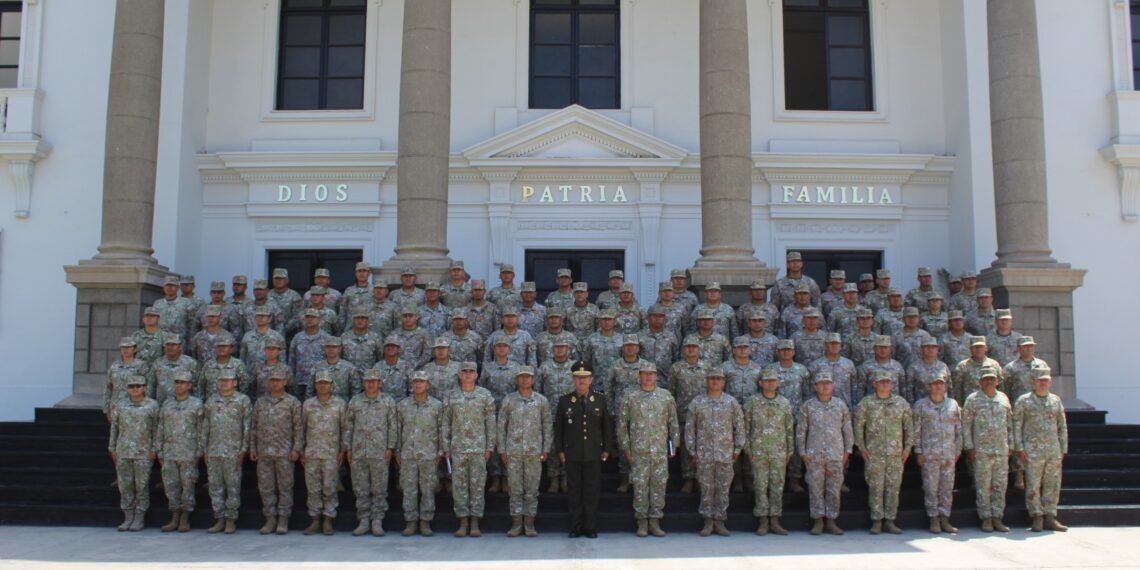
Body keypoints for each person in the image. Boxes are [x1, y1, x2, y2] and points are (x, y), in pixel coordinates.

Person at [619, 361, 679, 537]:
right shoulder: (630, 397)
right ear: (639, 376)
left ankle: (655, 521)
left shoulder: (665, 396)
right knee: (640, 486)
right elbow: (623, 425)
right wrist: (626, 448)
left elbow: (673, 423)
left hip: (660, 451)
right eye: (644, 373)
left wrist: (672, 446)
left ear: (656, 376)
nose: (648, 376)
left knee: (659, 485)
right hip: (639, 451)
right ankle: (642, 522)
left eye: (651, 374)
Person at [554, 361, 613, 538]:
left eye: (585, 377)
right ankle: (575, 526)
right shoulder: (565, 401)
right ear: (573, 379)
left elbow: (606, 427)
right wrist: (560, 451)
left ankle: (590, 526)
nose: (582, 381)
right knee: (574, 491)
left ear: (591, 380)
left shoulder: (600, 399)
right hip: (572, 452)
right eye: (578, 378)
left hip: (594, 452)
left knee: (591, 491)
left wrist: (607, 448)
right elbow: (559, 429)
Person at [686, 369, 745, 537]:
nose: (715, 382)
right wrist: (692, 451)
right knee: (706, 488)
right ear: (706, 381)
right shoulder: (697, 402)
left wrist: (737, 449)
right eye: (712, 379)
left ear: (724, 382)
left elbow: (739, 427)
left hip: (725, 453)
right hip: (704, 453)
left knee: (723, 488)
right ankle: (707, 521)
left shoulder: (731, 402)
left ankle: (720, 521)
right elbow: (690, 429)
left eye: (718, 379)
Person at [854, 369, 913, 535]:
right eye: (881, 381)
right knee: (875, 488)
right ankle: (877, 521)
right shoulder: (866, 403)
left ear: (892, 384)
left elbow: (909, 427)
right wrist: (861, 447)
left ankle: (890, 521)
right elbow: (858, 426)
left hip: (895, 454)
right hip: (874, 454)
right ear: (874, 384)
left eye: (887, 381)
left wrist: (908, 448)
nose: (884, 384)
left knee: (893, 488)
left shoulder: (901, 403)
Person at [497, 366, 553, 537]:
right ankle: (516, 523)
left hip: (533, 452)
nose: (525, 380)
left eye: (528, 377)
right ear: (516, 380)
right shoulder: (509, 400)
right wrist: (502, 450)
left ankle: (529, 523)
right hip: (513, 452)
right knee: (515, 489)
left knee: (532, 489)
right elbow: (501, 426)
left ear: (533, 380)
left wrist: (546, 449)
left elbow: (547, 426)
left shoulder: (541, 401)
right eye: (521, 377)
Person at [442, 362, 496, 537]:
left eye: (471, 371)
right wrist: (446, 446)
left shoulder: (485, 395)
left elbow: (490, 423)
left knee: (477, 486)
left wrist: (489, 446)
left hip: (478, 448)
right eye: (464, 371)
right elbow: (446, 423)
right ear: (459, 375)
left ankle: (475, 522)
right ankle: (462, 521)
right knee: (459, 487)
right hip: (457, 448)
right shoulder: (451, 396)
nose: (467, 374)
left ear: (476, 375)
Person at [1013, 366, 1069, 532]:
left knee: (1052, 484)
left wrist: (1063, 448)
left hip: (1052, 449)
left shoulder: (1055, 400)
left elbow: (1062, 425)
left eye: (1045, 380)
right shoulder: (1024, 401)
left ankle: (1050, 516)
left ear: (1050, 382)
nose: (1042, 383)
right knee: (1033, 484)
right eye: (1039, 380)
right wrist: (1019, 448)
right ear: (1033, 382)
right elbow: (1017, 426)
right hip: (1032, 451)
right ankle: (1037, 516)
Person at [797, 372, 853, 535]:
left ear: (832, 386)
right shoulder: (808, 406)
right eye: (821, 383)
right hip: (814, 454)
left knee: (834, 489)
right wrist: (802, 452)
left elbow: (847, 430)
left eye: (827, 383)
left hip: (836, 453)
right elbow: (801, 431)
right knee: (815, 488)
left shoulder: (840, 405)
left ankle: (831, 521)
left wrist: (847, 451)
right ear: (815, 387)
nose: (824, 386)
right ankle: (817, 521)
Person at [345, 368, 398, 537]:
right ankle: (363, 520)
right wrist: (348, 447)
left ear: (380, 383)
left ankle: (377, 520)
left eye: (374, 381)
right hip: (359, 451)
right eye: (367, 381)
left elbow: (392, 426)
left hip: (379, 451)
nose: (370, 384)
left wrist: (390, 447)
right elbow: (348, 426)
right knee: (360, 488)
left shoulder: (388, 401)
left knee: (379, 487)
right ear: (363, 383)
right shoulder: (355, 401)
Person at [250, 369, 302, 535]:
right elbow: (254, 427)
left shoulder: (292, 402)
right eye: (272, 380)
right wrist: (252, 447)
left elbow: (299, 428)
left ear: (285, 382)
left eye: (278, 380)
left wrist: (296, 448)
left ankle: (283, 518)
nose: (275, 383)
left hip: (284, 452)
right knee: (266, 487)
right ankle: (270, 518)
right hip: (264, 451)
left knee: (285, 487)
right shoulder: (260, 402)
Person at [743, 369, 794, 536]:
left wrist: (789, 449)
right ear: (760, 383)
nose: (770, 383)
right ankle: (763, 520)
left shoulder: (784, 403)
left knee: (777, 486)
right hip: (759, 451)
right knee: (760, 485)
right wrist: (748, 449)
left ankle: (775, 520)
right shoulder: (752, 402)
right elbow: (746, 427)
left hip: (779, 451)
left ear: (778, 383)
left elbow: (789, 428)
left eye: (773, 381)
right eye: (767, 380)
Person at [962, 366, 1013, 533]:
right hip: (981, 451)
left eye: (992, 379)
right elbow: (966, 425)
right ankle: (986, 518)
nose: (989, 381)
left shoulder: (1003, 398)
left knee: (1000, 485)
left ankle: (998, 517)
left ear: (997, 381)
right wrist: (969, 447)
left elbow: (1010, 424)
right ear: (980, 382)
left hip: (1001, 450)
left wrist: (1011, 445)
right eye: (985, 379)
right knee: (983, 485)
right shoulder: (972, 400)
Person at [201, 370, 252, 534]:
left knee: (233, 486)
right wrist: (205, 449)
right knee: (215, 487)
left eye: (227, 380)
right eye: (221, 380)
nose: (223, 383)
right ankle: (219, 518)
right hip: (214, 450)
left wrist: (243, 448)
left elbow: (247, 426)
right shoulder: (211, 401)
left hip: (233, 451)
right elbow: (205, 426)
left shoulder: (242, 400)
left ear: (235, 382)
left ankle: (231, 520)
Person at [912, 373, 962, 534]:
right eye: (934, 384)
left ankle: (945, 518)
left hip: (948, 453)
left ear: (945, 387)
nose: (938, 387)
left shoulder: (953, 404)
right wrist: (918, 451)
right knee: (931, 487)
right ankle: (933, 518)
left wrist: (957, 449)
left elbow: (958, 429)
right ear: (928, 387)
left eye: (940, 384)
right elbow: (916, 430)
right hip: (929, 453)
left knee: (947, 488)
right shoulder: (921, 405)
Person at [395, 371, 444, 536]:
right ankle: (410, 522)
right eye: (415, 382)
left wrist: (440, 451)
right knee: (409, 489)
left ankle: (425, 522)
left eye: (421, 382)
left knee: (427, 489)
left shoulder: (437, 406)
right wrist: (396, 449)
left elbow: (441, 429)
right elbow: (397, 429)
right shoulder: (403, 405)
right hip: (408, 454)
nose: (418, 384)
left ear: (428, 385)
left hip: (429, 455)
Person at [155, 369, 204, 533]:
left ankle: (185, 518)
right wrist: (160, 450)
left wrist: (199, 452)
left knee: (188, 486)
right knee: (171, 486)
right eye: (177, 382)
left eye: (182, 382)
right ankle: (174, 516)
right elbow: (160, 428)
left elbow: (201, 429)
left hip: (188, 453)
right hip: (169, 453)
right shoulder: (167, 404)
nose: (179, 385)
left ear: (189, 385)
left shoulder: (196, 404)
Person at [108, 375, 158, 532]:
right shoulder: (121, 406)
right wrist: (112, 448)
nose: (135, 389)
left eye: (138, 386)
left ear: (144, 387)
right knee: (125, 486)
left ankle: (139, 517)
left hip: (143, 452)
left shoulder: (152, 405)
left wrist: (155, 449)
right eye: (131, 386)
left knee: (141, 486)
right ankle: (128, 516)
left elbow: (157, 429)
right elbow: (115, 428)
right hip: (123, 451)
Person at [104, 338, 150, 420]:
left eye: (128, 347)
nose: (126, 350)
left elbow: (147, 387)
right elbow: (108, 388)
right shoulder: (114, 366)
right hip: (116, 406)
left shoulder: (141, 366)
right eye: (123, 347)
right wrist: (107, 409)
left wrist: (145, 405)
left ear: (135, 349)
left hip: (135, 407)